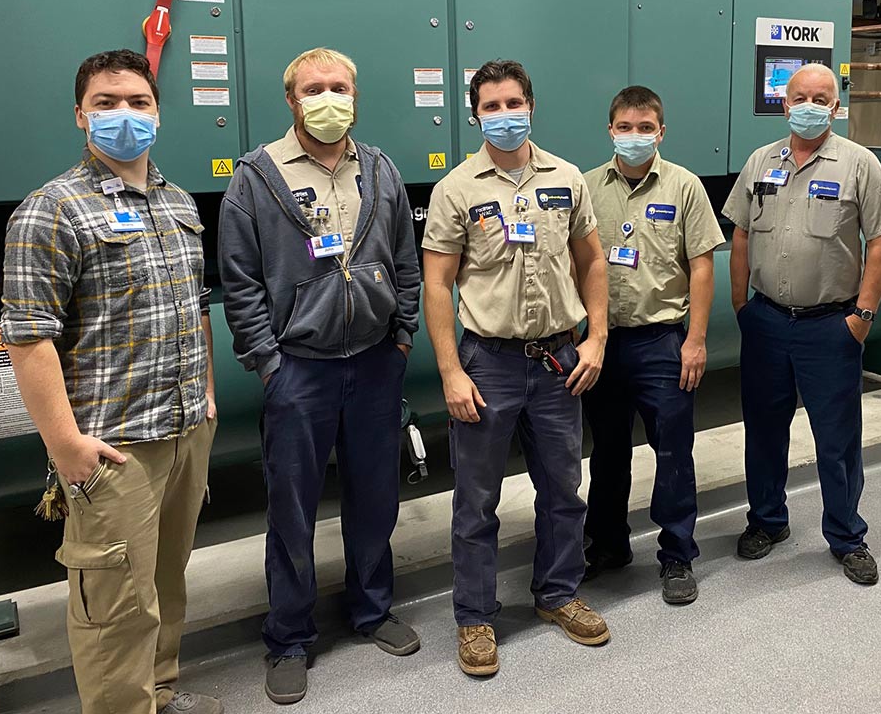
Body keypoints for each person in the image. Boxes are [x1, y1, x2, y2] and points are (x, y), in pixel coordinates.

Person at [1, 49, 220, 714]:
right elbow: (28, 337)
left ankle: (158, 693)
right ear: (80, 115)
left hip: (184, 429)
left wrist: (206, 395)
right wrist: (66, 446)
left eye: (138, 102)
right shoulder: (51, 210)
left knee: (164, 584)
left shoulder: (179, 203)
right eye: (106, 103)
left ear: (158, 112)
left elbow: (194, 307)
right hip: (115, 448)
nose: (124, 115)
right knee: (115, 605)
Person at [217, 47, 421, 705]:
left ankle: (370, 608)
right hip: (298, 369)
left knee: (375, 497)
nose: (327, 98)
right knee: (292, 509)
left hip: (372, 362)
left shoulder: (380, 169)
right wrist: (268, 362)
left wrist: (402, 331)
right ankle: (289, 636)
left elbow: (404, 259)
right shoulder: (257, 176)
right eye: (314, 88)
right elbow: (239, 281)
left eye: (339, 87)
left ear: (355, 96)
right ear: (292, 100)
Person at [422, 59, 611, 678]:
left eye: (514, 104)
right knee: (476, 500)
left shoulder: (567, 179)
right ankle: (475, 617)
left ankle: (558, 594)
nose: (504, 115)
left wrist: (597, 338)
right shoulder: (456, 189)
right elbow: (437, 285)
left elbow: (594, 261)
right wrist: (451, 372)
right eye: (492, 106)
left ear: (532, 106)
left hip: (558, 359)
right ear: (475, 114)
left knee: (562, 488)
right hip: (489, 363)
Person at [722, 63, 881, 585]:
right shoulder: (760, 161)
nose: (809, 105)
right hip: (767, 322)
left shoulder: (859, 164)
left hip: (831, 326)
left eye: (821, 98)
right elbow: (739, 235)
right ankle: (767, 521)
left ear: (835, 106)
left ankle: (847, 536)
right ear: (784, 103)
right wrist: (742, 307)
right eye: (800, 96)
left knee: (837, 438)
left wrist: (862, 317)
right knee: (764, 431)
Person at [581, 86, 725, 604]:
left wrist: (696, 341)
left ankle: (678, 555)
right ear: (610, 130)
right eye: (625, 127)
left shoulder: (685, 187)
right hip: (603, 343)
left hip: (664, 343)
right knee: (607, 453)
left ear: (661, 132)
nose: (635, 136)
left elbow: (703, 267)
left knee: (672, 452)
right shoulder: (586, 186)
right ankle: (608, 545)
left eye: (645, 128)